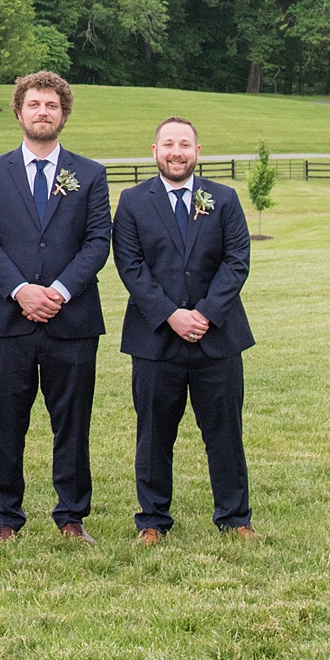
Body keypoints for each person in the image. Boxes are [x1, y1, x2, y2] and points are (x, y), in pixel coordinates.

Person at [0, 70, 112, 545]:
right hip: (8, 319)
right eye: (35, 104)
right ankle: (5, 517)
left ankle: (72, 515)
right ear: (19, 111)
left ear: (63, 114)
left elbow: (97, 241)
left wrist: (59, 291)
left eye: (52, 105)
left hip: (71, 320)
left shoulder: (90, 174)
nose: (43, 112)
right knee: (6, 419)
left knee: (71, 419)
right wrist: (20, 290)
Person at [112, 116, 257, 543]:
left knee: (225, 433)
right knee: (154, 434)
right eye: (169, 144)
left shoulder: (224, 198)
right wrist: (171, 314)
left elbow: (237, 260)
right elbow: (131, 265)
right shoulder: (133, 200)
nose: (177, 152)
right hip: (155, 339)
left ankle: (235, 517)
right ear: (154, 151)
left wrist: (207, 313)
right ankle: (153, 521)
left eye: (185, 145)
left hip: (219, 338)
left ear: (198, 151)